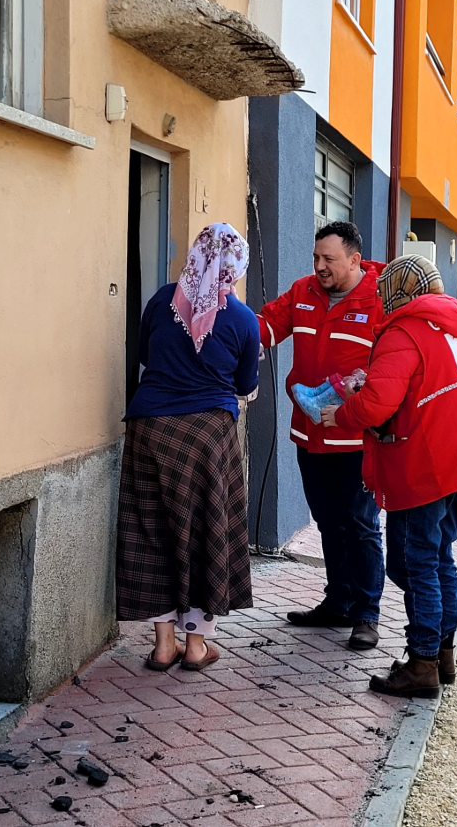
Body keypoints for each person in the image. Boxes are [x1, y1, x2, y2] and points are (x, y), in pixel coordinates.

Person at [321, 254, 457, 695]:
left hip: (426, 465)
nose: (378, 299)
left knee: (415, 565)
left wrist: (340, 413)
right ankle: (443, 653)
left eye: (383, 292)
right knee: (438, 558)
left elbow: (378, 405)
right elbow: (417, 387)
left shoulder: (403, 331)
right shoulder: (448, 325)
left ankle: (422, 663)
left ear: (400, 291)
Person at [117, 223, 260, 672]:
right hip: (206, 436)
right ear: (236, 265)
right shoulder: (242, 319)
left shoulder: (162, 300)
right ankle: (196, 645)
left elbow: (144, 356)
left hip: (149, 428)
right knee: (206, 531)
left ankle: (163, 646)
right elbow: (245, 384)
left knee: (150, 531)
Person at [257, 221, 386, 650]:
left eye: (329, 259)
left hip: (355, 439)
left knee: (362, 525)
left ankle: (367, 614)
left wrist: (365, 381)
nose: (320, 267)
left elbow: (395, 363)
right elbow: (266, 327)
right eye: (316, 258)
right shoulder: (303, 292)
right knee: (329, 522)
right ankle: (338, 603)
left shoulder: (379, 300)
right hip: (310, 436)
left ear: (354, 260)